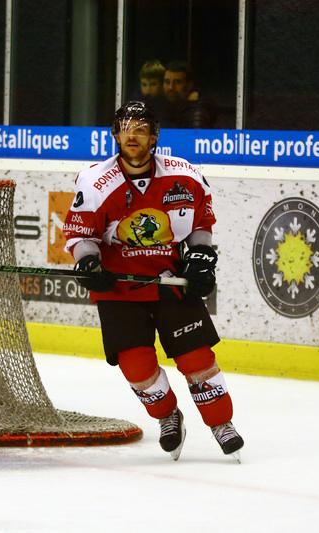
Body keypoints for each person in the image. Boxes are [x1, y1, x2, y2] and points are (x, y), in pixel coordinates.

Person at [63, 101, 243, 460]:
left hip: (171, 282)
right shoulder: (95, 181)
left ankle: (221, 424)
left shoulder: (185, 175)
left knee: (196, 358)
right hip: (119, 289)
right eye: (125, 129)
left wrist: (201, 257)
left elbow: (200, 224)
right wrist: (88, 262)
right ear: (115, 136)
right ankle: (168, 416)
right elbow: (82, 234)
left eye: (141, 130)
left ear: (155, 137)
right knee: (137, 368)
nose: (132, 136)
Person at [160, 61, 216, 128]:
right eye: (167, 82)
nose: (171, 87)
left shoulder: (198, 109)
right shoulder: (164, 102)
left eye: (177, 82)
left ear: (189, 85)